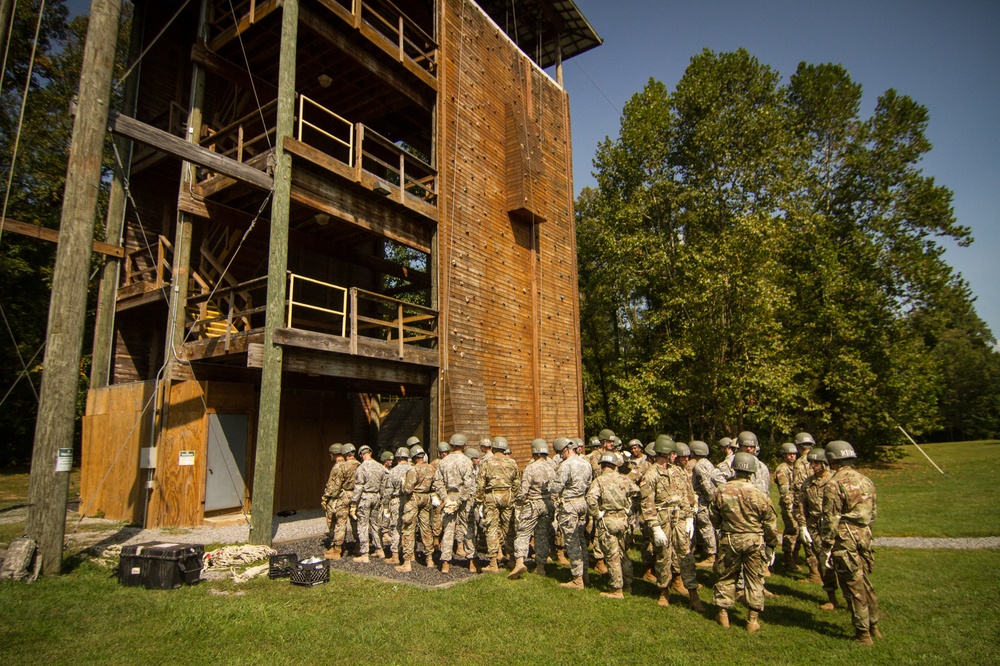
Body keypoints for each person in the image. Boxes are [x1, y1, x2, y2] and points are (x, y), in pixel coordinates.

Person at [710, 452, 779, 633]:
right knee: (755, 579)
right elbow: (771, 523)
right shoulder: (760, 494)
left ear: (734, 468)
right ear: (752, 471)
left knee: (725, 576)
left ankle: (723, 614)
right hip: (754, 540)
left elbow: (714, 517)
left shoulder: (721, 490)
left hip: (730, 538)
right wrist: (771, 545)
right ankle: (752, 620)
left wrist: (723, 527)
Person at [821, 440, 881, 645]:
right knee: (865, 582)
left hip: (844, 537)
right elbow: (873, 513)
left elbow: (830, 518)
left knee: (853, 585)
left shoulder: (833, 483)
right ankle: (874, 625)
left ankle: (863, 633)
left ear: (831, 460)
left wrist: (826, 545)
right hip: (864, 535)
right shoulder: (866, 480)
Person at [640, 436, 705, 611]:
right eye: (672, 453)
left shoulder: (678, 472)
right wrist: (654, 526)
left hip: (680, 518)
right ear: (666, 453)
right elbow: (647, 503)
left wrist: (690, 516)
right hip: (662, 519)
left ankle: (692, 593)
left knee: (686, 555)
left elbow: (687, 494)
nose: (675, 456)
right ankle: (663, 591)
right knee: (663, 556)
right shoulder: (651, 475)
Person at [587, 451, 640, 599]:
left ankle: (617, 589)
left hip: (608, 520)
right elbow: (638, 493)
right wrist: (631, 510)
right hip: (623, 520)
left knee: (612, 556)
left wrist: (596, 514)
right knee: (623, 553)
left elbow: (591, 499)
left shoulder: (598, 481)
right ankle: (628, 584)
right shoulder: (624, 479)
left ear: (602, 465)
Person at [550, 432, 593, 589]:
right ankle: (586, 574)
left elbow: (557, 487)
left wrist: (549, 486)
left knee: (572, 542)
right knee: (582, 540)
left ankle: (577, 579)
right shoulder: (586, 463)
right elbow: (589, 482)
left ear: (564, 450)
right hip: (582, 502)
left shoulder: (566, 465)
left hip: (570, 505)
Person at [509, 438, 556, 579]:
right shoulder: (552, 468)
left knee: (523, 532)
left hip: (532, 504)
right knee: (542, 535)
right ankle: (541, 567)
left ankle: (519, 562)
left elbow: (524, 491)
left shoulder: (531, 468)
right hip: (547, 504)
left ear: (534, 453)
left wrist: (519, 501)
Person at [795, 447, 837, 593]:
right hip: (815, 525)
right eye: (811, 462)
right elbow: (801, 505)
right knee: (823, 561)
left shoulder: (835, 480)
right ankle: (831, 596)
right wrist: (802, 526)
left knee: (841, 561)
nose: (813, 465)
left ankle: (851, 599)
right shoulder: (808, 483)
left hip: (833, 525)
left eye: (816, 462)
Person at [477, 436, 521, 572]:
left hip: (492, 496)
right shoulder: (512, 462)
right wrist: (512, 495)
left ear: (493, 447)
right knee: (509, 528)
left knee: (491, 527)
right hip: (507, 495)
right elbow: (517, 483)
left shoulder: (487, 462)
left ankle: (493, 562)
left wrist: (479, 499)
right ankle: (512, 559)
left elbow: (480, 484)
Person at [433, 434, 475, 573]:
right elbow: (468, 483)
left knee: (448, 531)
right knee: (467, 529)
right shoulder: (466, 461)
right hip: (463, 500)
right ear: (463, 445)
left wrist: (446, 499)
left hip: (449, 499)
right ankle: (471, 562)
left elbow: (438, 482)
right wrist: (460, 500)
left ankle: (445, 562)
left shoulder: (443, 462)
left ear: (451, 445)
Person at [395, 444, 436, 572]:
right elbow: (435, 485)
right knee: (426, 527)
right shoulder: (431, 468)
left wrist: (403, 484)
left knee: (408, 528)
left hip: (413, 499)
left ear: (413, 457)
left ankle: (407, 561)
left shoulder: (413, 470)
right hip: (426, 498)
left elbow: (408, 489)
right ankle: (430, 558)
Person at [351, 445, 387, 563]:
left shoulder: (361, 468)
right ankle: (379, 549)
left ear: (361, 455)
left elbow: (358, 486)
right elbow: (384, 484)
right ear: (371, 452)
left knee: (363, 525)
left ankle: (364, 554)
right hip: (376, 497)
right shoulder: (380, 467)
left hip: (365, 497)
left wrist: (353, 503)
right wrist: (381, 498)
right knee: (375, 524)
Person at [690, 440, 722, 567]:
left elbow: (706, 485)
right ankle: (710, 552)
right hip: (710, 499)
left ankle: (711, 556)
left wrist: (708, 500)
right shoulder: (708, 463)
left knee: (705, 526)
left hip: (704, 500)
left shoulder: (699, 466)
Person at [323, 443, 359, 559]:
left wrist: (326, 497)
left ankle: (337, 549)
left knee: (340, 522)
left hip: (343, 497)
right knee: (356, 522)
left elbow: (335, 485)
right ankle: (359, 545)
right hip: (356, 496)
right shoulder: (359, 465)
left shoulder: (340, 467)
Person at [774, 442, 800, 572]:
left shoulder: (796, 467)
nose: (792, 456)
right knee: (791, 531)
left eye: (794, 453)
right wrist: (790, 507)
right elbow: (784, 491)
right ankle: (788, 560)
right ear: (784, 455)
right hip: (789, 505)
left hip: (798, 504)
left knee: (798, 532)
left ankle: (795, 558)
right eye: (789, 454)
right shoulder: (782, 469)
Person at [385, 446, 411, 564]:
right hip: (409, 501)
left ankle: (395, 555)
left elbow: (388, 491)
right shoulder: (412, 469)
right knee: (409, 527)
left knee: (395, 527)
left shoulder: (393, 471)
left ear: (397, 458)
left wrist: (385, 504)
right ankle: (410, 554)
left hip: (395, 501)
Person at [322, 443, 343, 538]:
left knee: (332, 522)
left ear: (333, 454)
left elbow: (331, 485)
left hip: (335, 498)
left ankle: (334, 543)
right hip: (346, 498)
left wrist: (325, 498)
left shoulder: (336, 467)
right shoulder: (347, 465)